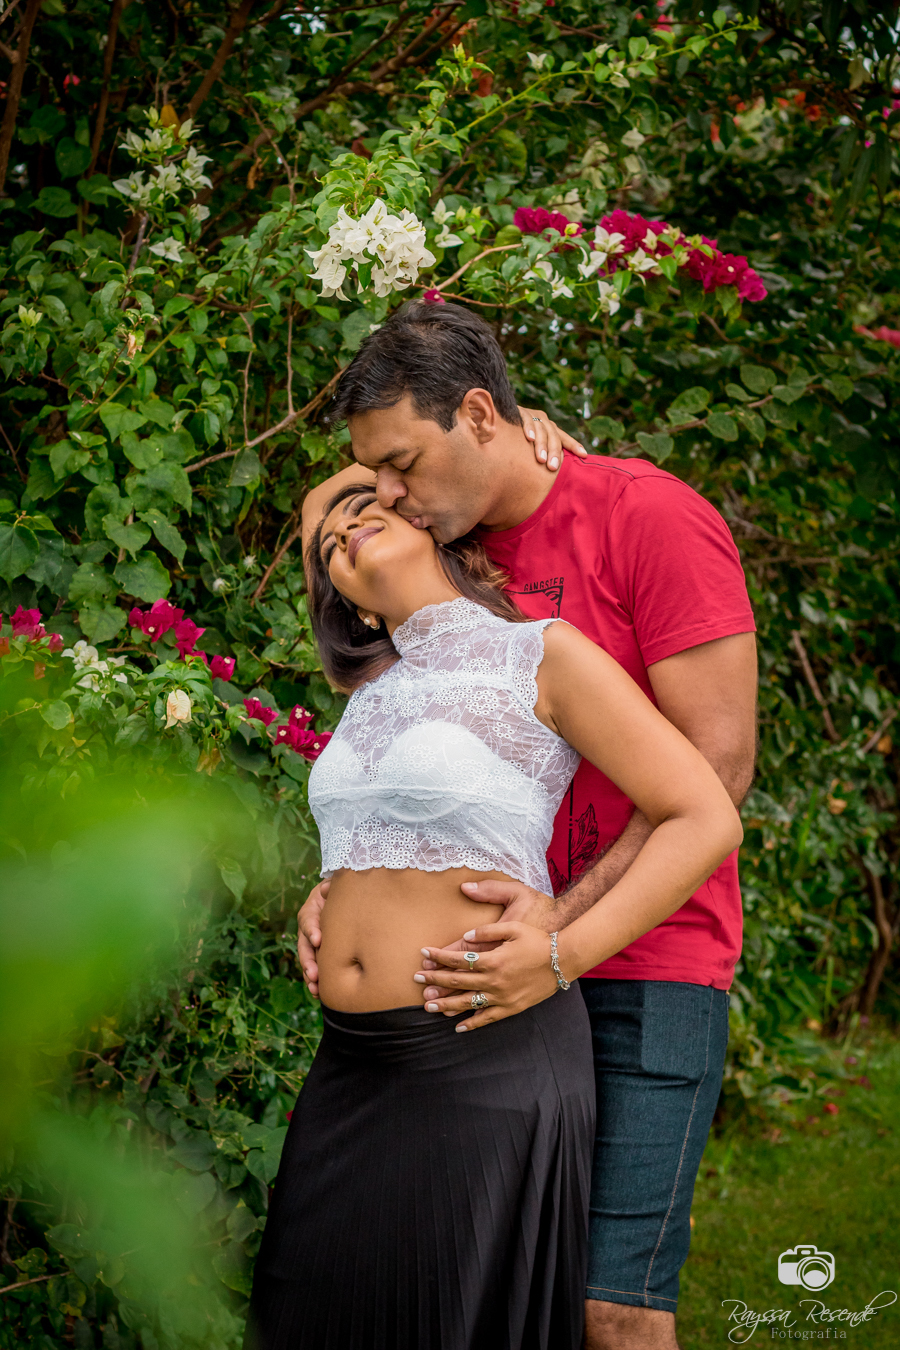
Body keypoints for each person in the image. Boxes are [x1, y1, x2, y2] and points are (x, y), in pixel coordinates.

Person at [296, 301, 758, 1350]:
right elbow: (333, 510)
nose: (389, 495)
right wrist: (359, 880)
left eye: (404, 466)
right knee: (506, 1300)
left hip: (647, 962)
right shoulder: (437, 536)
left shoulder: (646, 515)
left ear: (474, 413)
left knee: (614, 1311)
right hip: (472, 991)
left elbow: (716, 774)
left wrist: (558, 933)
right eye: (380, 481)